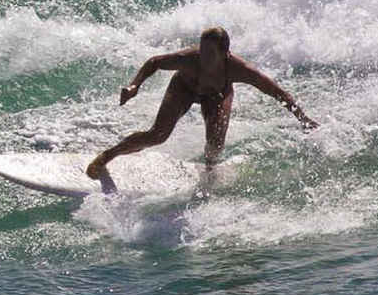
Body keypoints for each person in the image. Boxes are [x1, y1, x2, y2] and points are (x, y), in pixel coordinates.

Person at [86, 26, 316, 182]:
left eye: (210, 53)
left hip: (216, 96)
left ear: (225, 53)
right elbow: (154, 62)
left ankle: (208, 174)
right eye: (202, 49)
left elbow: (277, 92)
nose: (203, 56)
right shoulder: (188, 59)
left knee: (215, 145)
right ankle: (107, 156)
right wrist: (135, 85)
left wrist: (302, 118)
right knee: (158, 135)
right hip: (183, 89)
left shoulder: (239, 69)